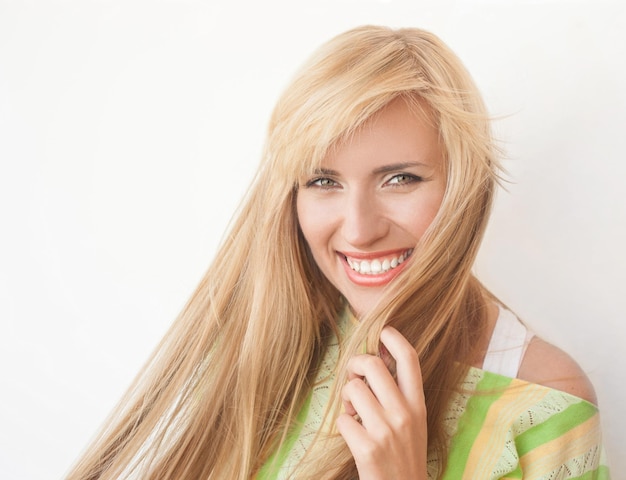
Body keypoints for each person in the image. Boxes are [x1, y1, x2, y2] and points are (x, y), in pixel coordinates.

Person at [67, 25, 610, 479]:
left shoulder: (547, 401)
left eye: (400, 178)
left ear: (463, 186)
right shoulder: (259, 348)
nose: (359, 230)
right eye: (324, 182)